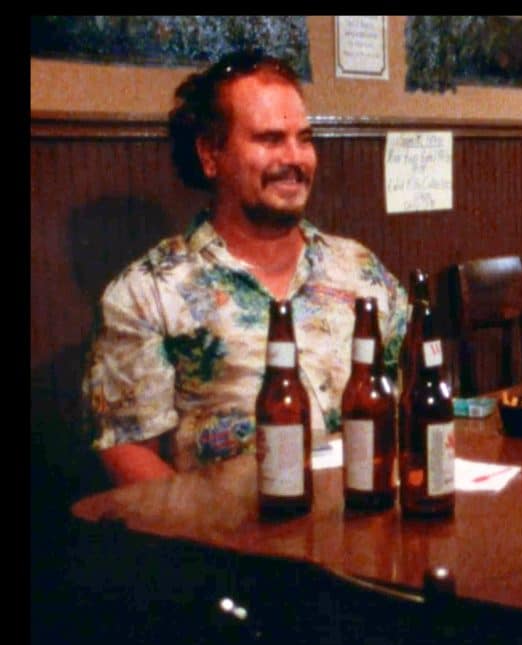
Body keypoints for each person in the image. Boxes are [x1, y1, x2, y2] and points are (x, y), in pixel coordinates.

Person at [82, 50, 407, 486]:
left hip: (374, 521)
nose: (295, 158)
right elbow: (126, 451)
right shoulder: (147, 293)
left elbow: (415, 398)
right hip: (232, 543)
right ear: (211, 155)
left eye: (305, 138)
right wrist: (212, 534)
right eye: (270, 139)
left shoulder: (361, 271)